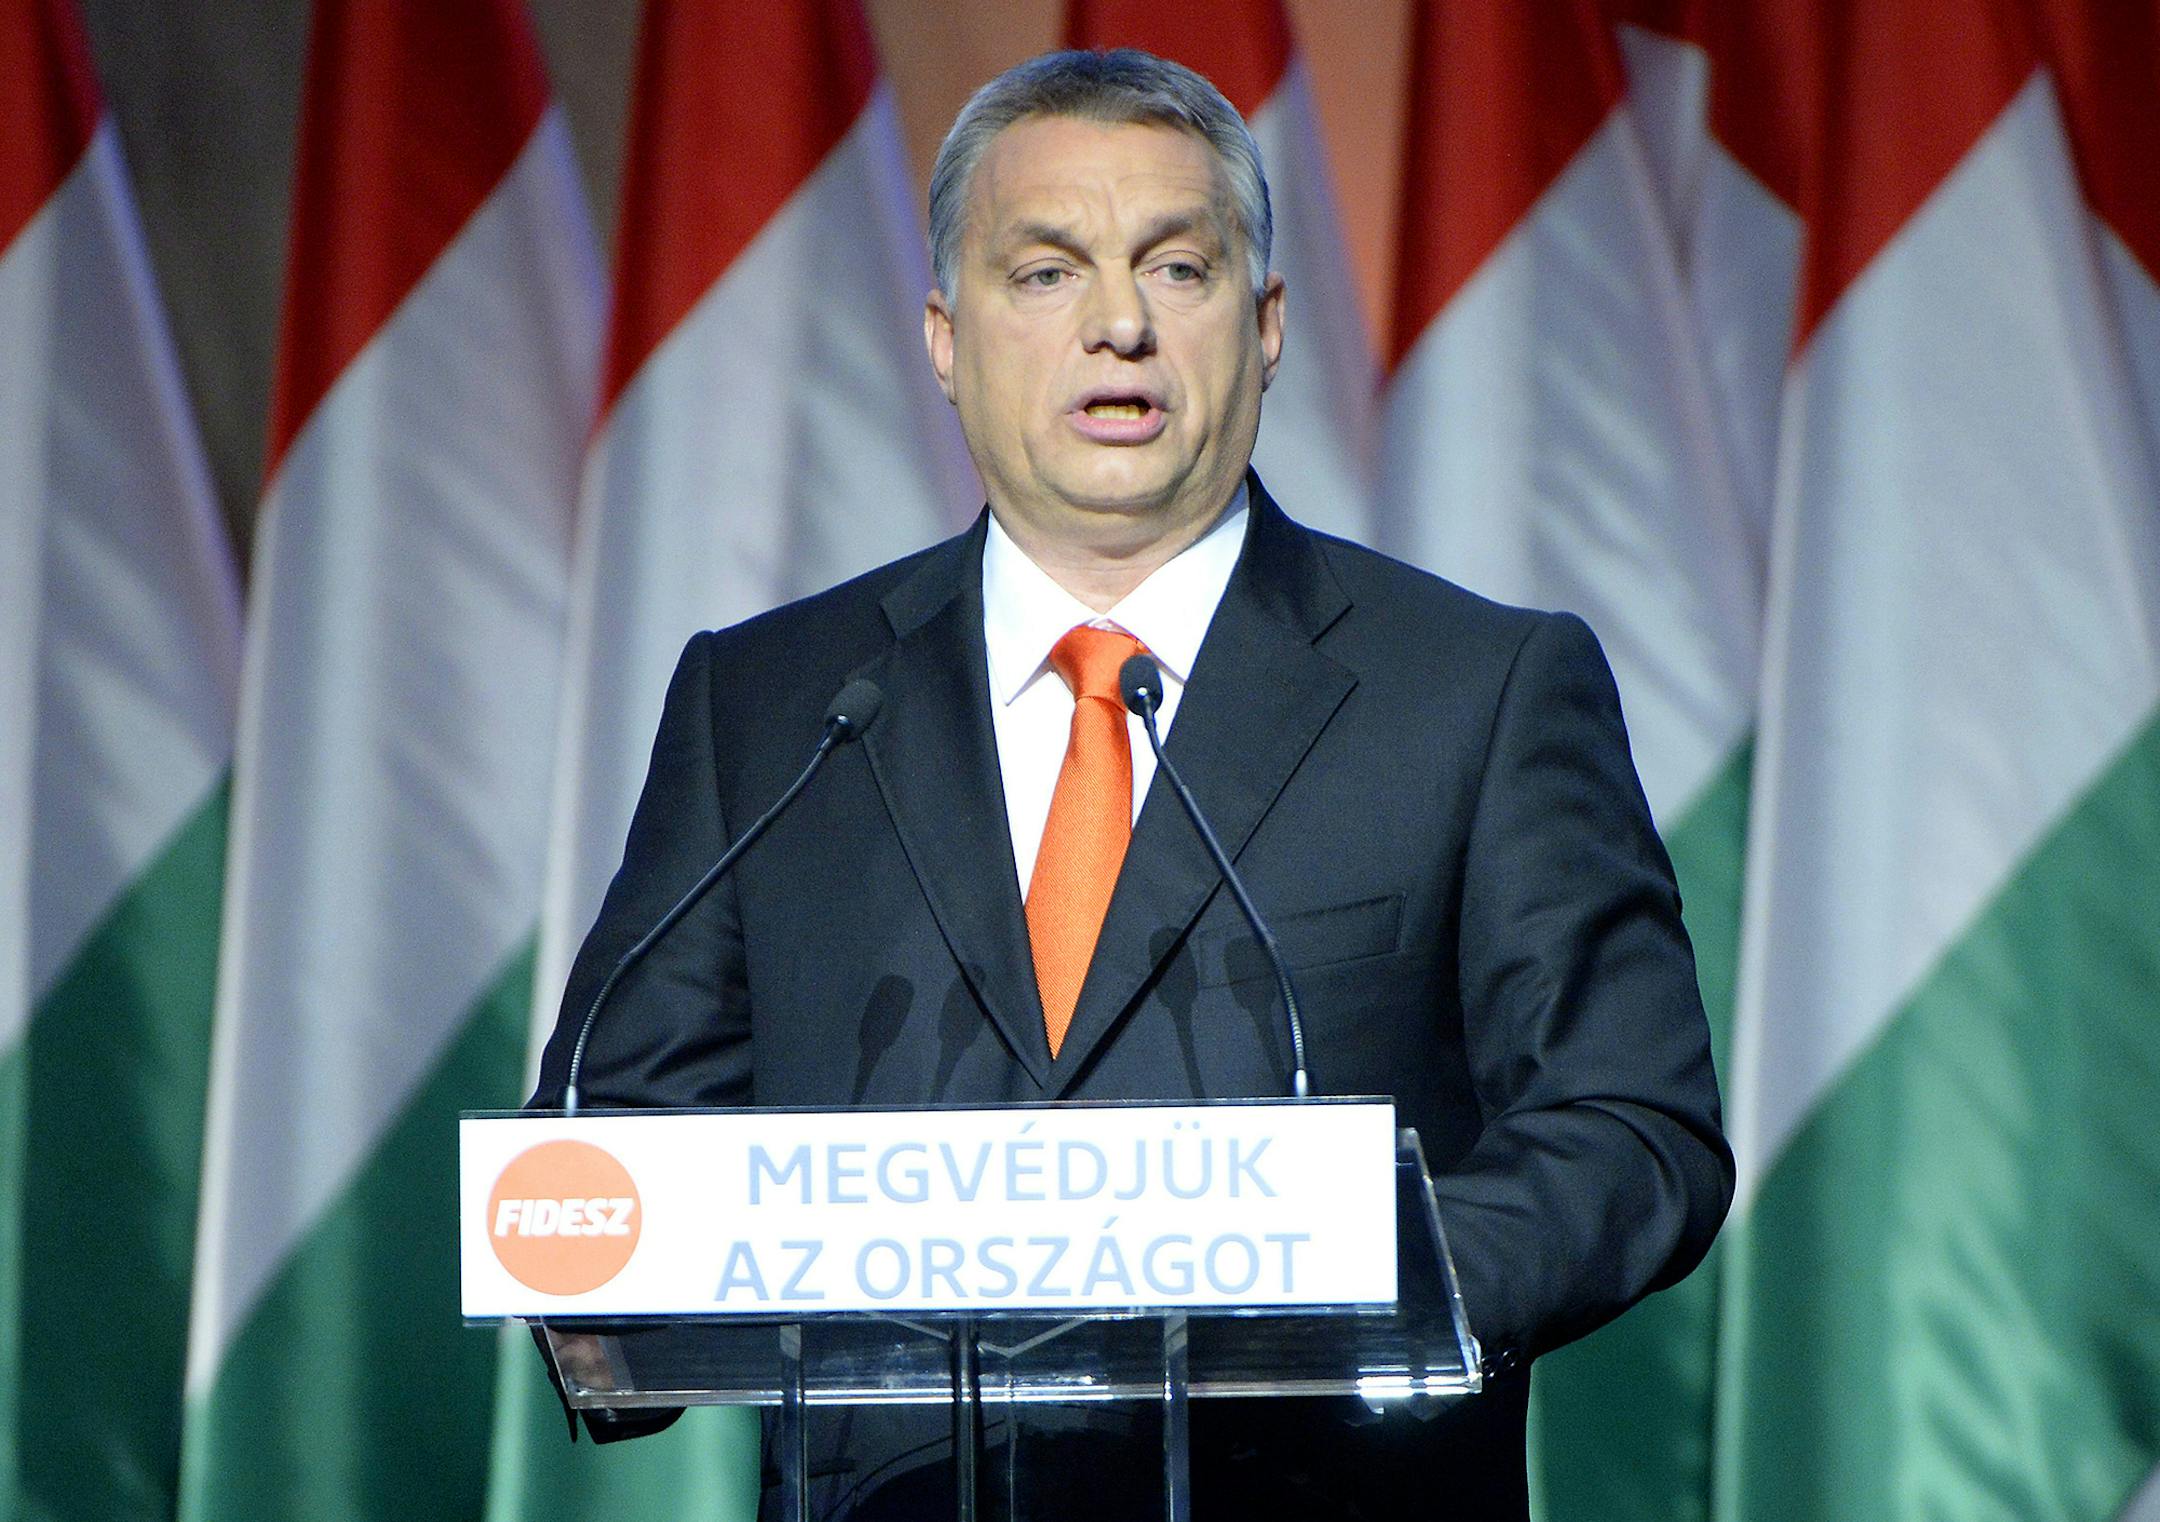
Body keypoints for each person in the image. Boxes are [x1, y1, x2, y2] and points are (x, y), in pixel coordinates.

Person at [530, 48, 1731, 1521]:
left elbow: (1632, 1124)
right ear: (946, 336)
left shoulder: (1477, 691)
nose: (1118, 326)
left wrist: (1373, 1275)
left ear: (1268, 323)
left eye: (1179, 267)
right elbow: (614, 1140)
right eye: (1044, 273)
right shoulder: (773, 706)